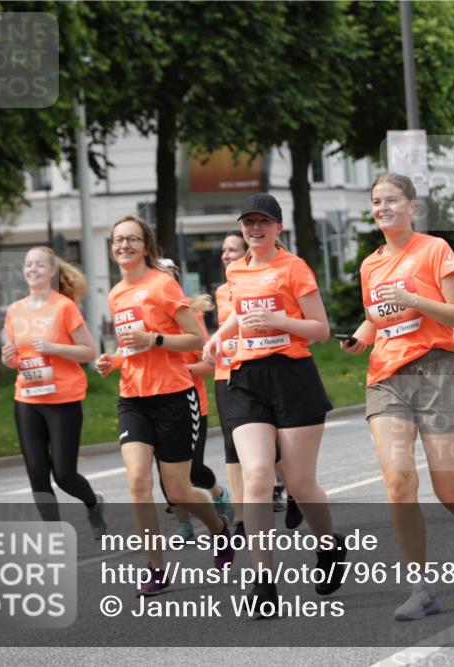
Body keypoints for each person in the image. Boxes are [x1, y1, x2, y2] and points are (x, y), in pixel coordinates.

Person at [342, 173, 454, 621]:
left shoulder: (434, 250)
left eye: (391, 200)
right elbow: (378, 318)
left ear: (412, 206)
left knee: (449, 489)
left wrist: (415, 298)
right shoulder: (370, 265)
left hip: (437, 372)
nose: (382, 208)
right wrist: (360, 336)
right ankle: (421, 588)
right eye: (376, 201)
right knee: (398, 482)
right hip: (387, 377)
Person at [203, 193, 346, 616]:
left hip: (292, 377)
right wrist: (219, 335)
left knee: (301, 483)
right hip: (246, 379)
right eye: (248, 222)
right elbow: (240, 314)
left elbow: (320, 329)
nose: (254, 229)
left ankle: (329, 546)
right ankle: (263, 581)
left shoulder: (294, 267)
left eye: (263, 221)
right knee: (259, 476)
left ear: (278, 228)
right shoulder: (236, 270)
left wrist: (280, 321)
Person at [96, 215, 234, 595]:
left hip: (174, 395)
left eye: (131, 239)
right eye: (117, 239)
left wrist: (154, 339)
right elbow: (130, 345)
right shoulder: (115, 293)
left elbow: (194, 340)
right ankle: (156, 569)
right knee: (138, 482)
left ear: (146, 245)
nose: (123, 245)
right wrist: (114, 359)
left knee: (178, 491)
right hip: (133, 399)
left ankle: (220, 530)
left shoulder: (163, 285)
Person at [2, 247, 106, 537]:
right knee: (36, 471)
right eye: (28, 265)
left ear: (51, 272)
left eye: (39, 265)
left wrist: (55, 348)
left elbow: (89, 351)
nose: (32, 269)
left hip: (63, 398)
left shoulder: (64, 307)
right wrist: (8, 357)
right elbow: (14, 357)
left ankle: (93, 503)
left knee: (64, 474)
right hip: (27, 397)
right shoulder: (14, 310)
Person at [158, 279, 235, 538]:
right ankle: (183, 524)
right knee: (165, 472)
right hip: (155, 400)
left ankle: (217, 493)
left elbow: (209, 365)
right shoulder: (145, 321)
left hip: (191, 403)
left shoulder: (191, 319)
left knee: (193, 470)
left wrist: (180, 369)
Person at [213, 232, 248, 537]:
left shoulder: (254, 282)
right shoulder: (221, 291)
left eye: (233, 249)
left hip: (255, 368)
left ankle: (289, 489)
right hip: (225, 372)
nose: (226, 254)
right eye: (224, 250)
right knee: (231, 443)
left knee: (272, 443)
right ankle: (241, 517)